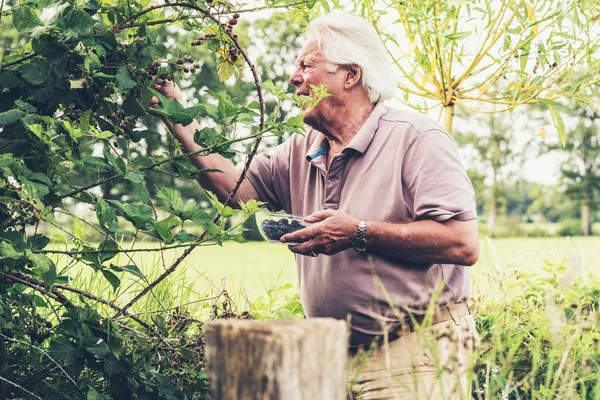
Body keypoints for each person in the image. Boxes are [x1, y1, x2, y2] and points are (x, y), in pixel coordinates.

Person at [151, 10, 480, 400]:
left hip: (418, 351)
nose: (294, 78)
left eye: (307, 65)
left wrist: (358, 232)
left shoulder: (417, 138)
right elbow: (235, 192)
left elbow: (462, 243)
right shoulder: (302, 146)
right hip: (333, 356)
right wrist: (175, 115)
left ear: (350, 75)